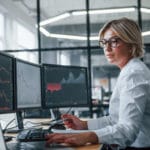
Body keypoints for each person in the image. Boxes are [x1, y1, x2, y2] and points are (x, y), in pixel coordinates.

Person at [45, 17, 150, 150]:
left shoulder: (134, 74)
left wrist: (88, 136)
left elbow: (128, 130)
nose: (106, 47)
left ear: (131, 43)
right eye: (104, 42)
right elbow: (115, 119)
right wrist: (84, 125)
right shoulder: (129, 70)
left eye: (114, 41)